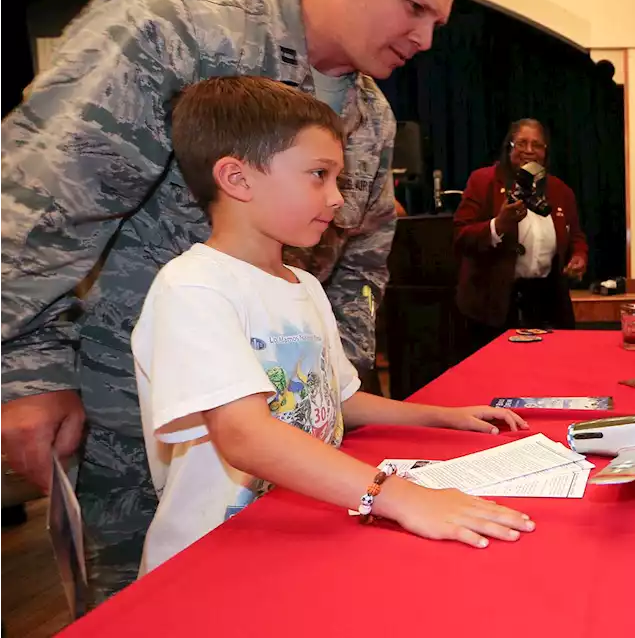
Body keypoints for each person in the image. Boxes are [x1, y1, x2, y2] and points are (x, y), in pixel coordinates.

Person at [0, 0, 462, 607]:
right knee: (149, 605)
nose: (427, 38)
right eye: (414, 7)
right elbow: (37, 201)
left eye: (438, 19)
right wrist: (25, 370)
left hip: (293, 443)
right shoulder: (174, 32)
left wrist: (335, 405)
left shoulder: (372, 116)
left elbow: (360, 267)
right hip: (134, 418)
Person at [134, 76, 535, 572]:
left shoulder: (303, 285)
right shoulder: (194, 287)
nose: (336, 199)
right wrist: (398, 497)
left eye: (337, 179)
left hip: (298, 536)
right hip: (218, 557)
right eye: (318, 175)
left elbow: (337, 398)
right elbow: (244, 436)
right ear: (237, 179)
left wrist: (441, 415)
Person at [454, 118, 588, 353]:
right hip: (495, 307)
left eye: (537, 145)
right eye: (522, 143)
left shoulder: (560, 190)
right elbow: (460, 236)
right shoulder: (483, 181)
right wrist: (498, 225)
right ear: (509, 147)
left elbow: (576, 235)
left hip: (546, 304)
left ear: (545, 152)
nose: (529, 150)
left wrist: (579, 256)